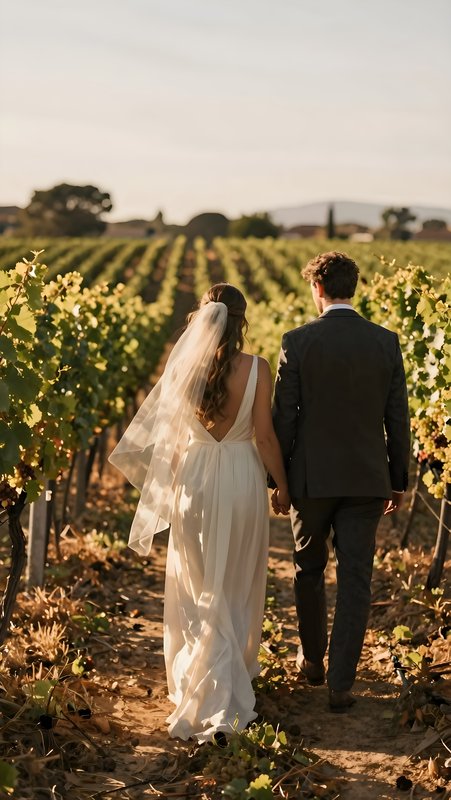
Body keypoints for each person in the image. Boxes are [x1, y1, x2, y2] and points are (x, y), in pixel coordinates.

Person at [109, 283, 290, 743]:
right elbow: (265, 438)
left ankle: (200, 679)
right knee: (234, 580)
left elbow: (169, 441)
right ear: (242, 321)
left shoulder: (184, 370)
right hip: (240, 478)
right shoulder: (258, 369)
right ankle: (228, 684)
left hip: (193, 480)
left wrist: (168, 490)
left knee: (195, 582)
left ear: (202, 318)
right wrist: (283, 486)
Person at [271, 251, 410, 713]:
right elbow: (398, 419)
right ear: (355, 287)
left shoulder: (296, 341)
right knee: (356, 578)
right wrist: (397, 480)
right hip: (367, 478)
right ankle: (341, 683)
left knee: (308, 570)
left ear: (318, 289)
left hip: (310, 480)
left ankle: (311, 660)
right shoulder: (386, 342)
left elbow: (283, 421)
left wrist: (279, 480)